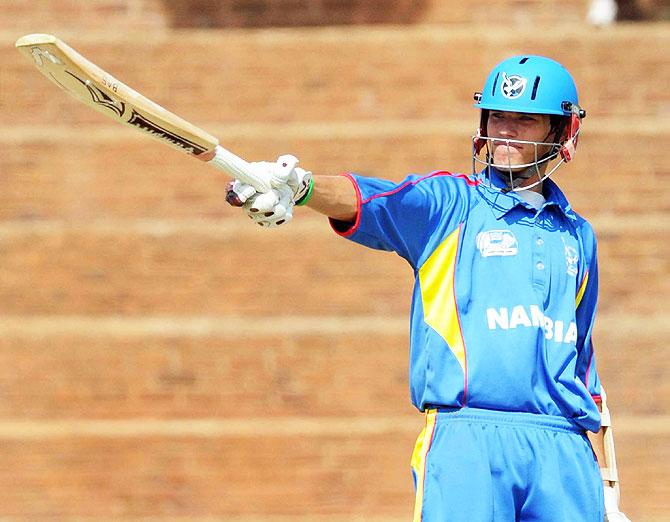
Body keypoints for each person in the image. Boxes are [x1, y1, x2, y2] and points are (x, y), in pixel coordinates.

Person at [224, 55, 631, 521]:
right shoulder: (449, 204)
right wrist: (300, 186)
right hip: (467, 439)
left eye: (524, 120)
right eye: (497, 115)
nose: (505, 131)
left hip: (562, 448)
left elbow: (583, 366)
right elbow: (372, 197)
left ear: (561, 133)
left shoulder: (578, 235)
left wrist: (603, 485)